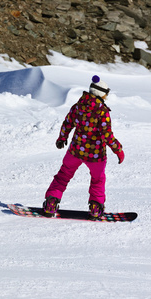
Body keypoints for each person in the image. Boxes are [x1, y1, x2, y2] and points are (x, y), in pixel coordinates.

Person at [43, 75, 125, 220]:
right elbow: (107, 135)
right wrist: (118, 150)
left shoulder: (78, 106)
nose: (107, 97)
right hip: (96, 155)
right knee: (97, 180)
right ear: (101, 94)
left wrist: (62, 138)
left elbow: (67, 122)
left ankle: (51, 202)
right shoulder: (102, 111)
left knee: (63, 176)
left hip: (75, 151)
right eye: (106, 94)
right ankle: (95, 207)